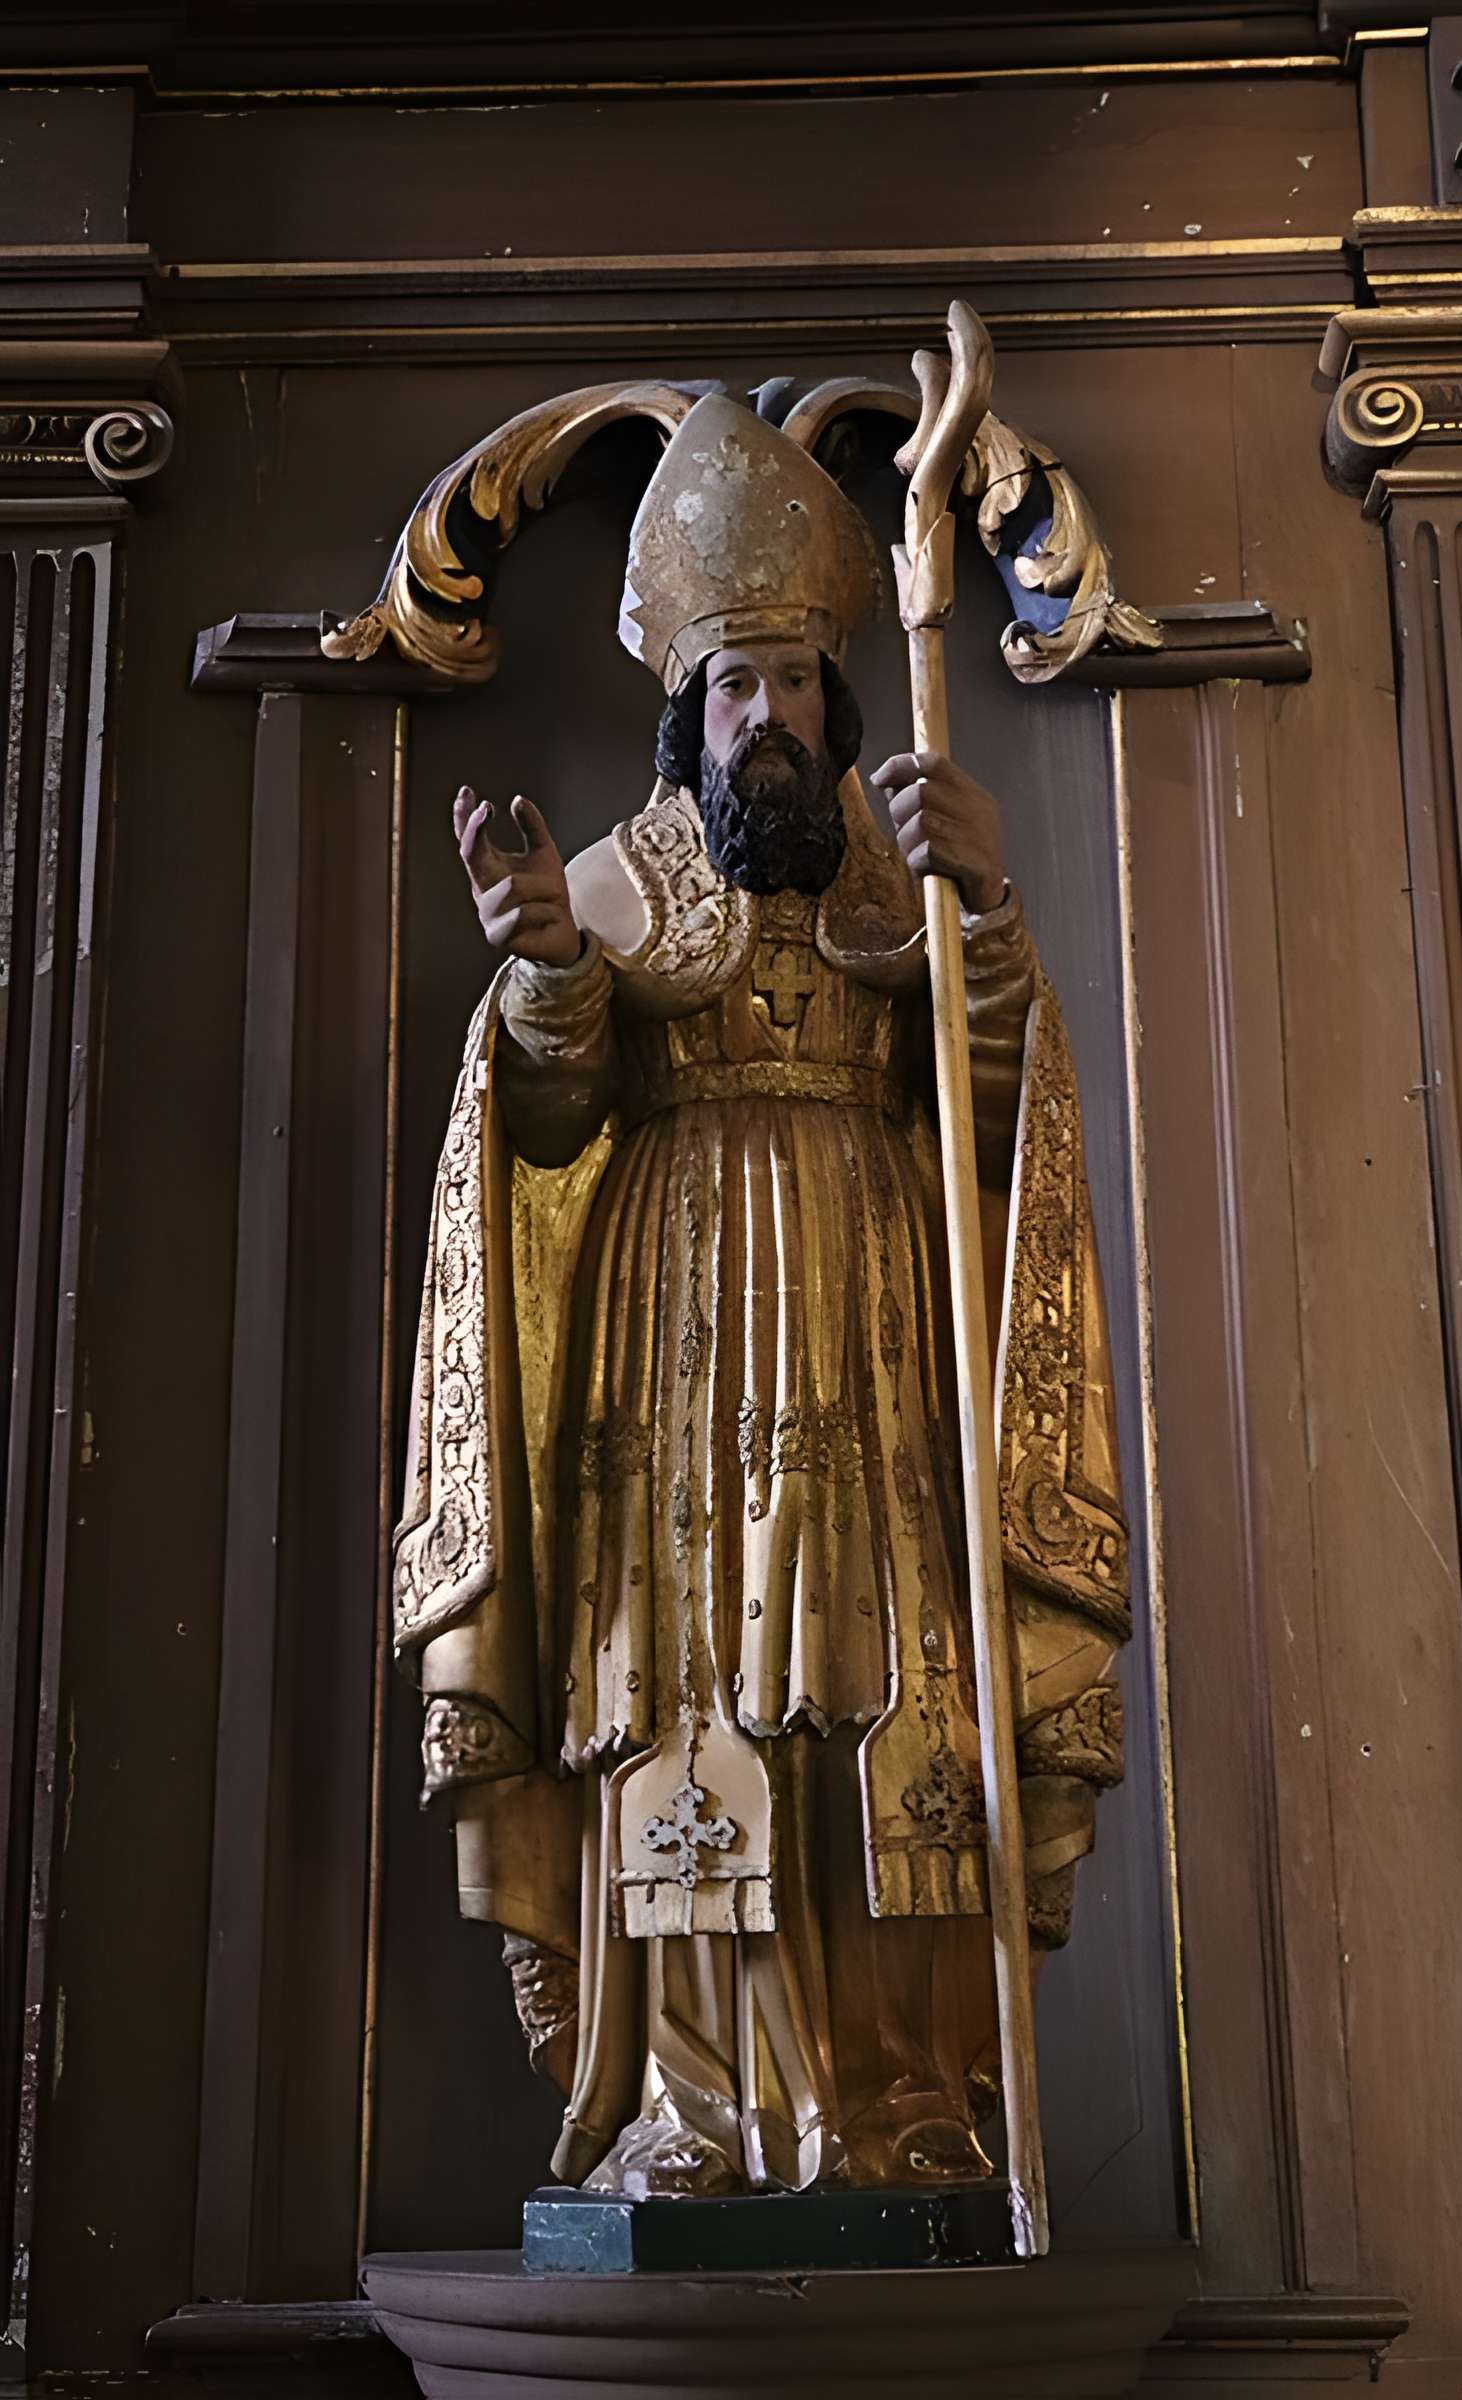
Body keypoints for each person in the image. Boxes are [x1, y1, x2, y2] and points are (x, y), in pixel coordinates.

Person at [396, 394, 1130, 2199]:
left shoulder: (903, 872)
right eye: (736, 690)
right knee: (695, 1683)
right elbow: (545, 1130)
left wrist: (993, 918)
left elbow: (988, 1115)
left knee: (885, 1671)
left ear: (837, 700)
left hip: (876, 1339)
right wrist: (551, 975)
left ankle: (904, 2096)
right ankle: (698, 2106)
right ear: (687, 715)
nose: (770, 719)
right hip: (676, 1352)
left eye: (799, 684)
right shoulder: (615, 884)